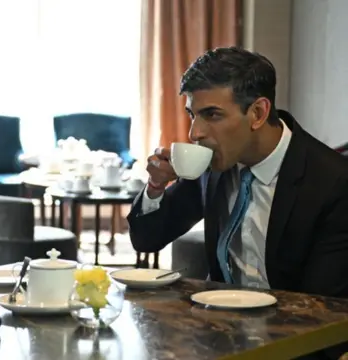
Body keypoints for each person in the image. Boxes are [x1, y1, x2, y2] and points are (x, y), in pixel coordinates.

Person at [128, 47, 348, 296]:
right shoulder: (215, 163)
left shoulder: (334, 183)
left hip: (297, 329)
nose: (194, 133)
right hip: (220, 325)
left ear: (258, 113)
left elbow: (325, 303)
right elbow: (147, 240)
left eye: (212, 114)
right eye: (192, 114)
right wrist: (156, 188)